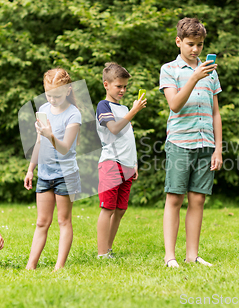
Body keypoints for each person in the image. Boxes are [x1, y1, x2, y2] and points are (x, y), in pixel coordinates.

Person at [159, 17, 223, 267]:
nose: (196, 49)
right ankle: (170, 256)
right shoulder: (170, 70)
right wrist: (194, 77)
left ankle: (192, 255)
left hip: (205, 144)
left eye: (200, 44)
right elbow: (174, 105)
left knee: (198, 199)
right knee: (174, 198)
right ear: (178, 42)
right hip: (179, 143)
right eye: (190, 44)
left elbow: (216, 112)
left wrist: (218, 148)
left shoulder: (211, 72)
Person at [24, 68, 82, 271]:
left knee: (63, 221)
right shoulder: (43, 109)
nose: (52, 99)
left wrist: (50, 135)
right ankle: (31, 265)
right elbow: (39, 142)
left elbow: (65, 147)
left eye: (56, 95)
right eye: (48, 95)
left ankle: (59, 266)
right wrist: (31, 169)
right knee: (41, 222)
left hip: (66, 175)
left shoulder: (74, 114)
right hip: (45, 174)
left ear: (67, 91)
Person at [95, 62, 147, 258]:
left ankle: (108, 248)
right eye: (119, 86)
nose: (123, 90)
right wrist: (134, 111)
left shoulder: (124, 107)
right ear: (106, 85)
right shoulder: (103, 105)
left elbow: (127, 138)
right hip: (110, 162)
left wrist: (134, 164)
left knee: (120, 209)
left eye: (125, 86)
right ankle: (102, 253)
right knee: (107, 208)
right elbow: (114, 129)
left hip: (127, 164)